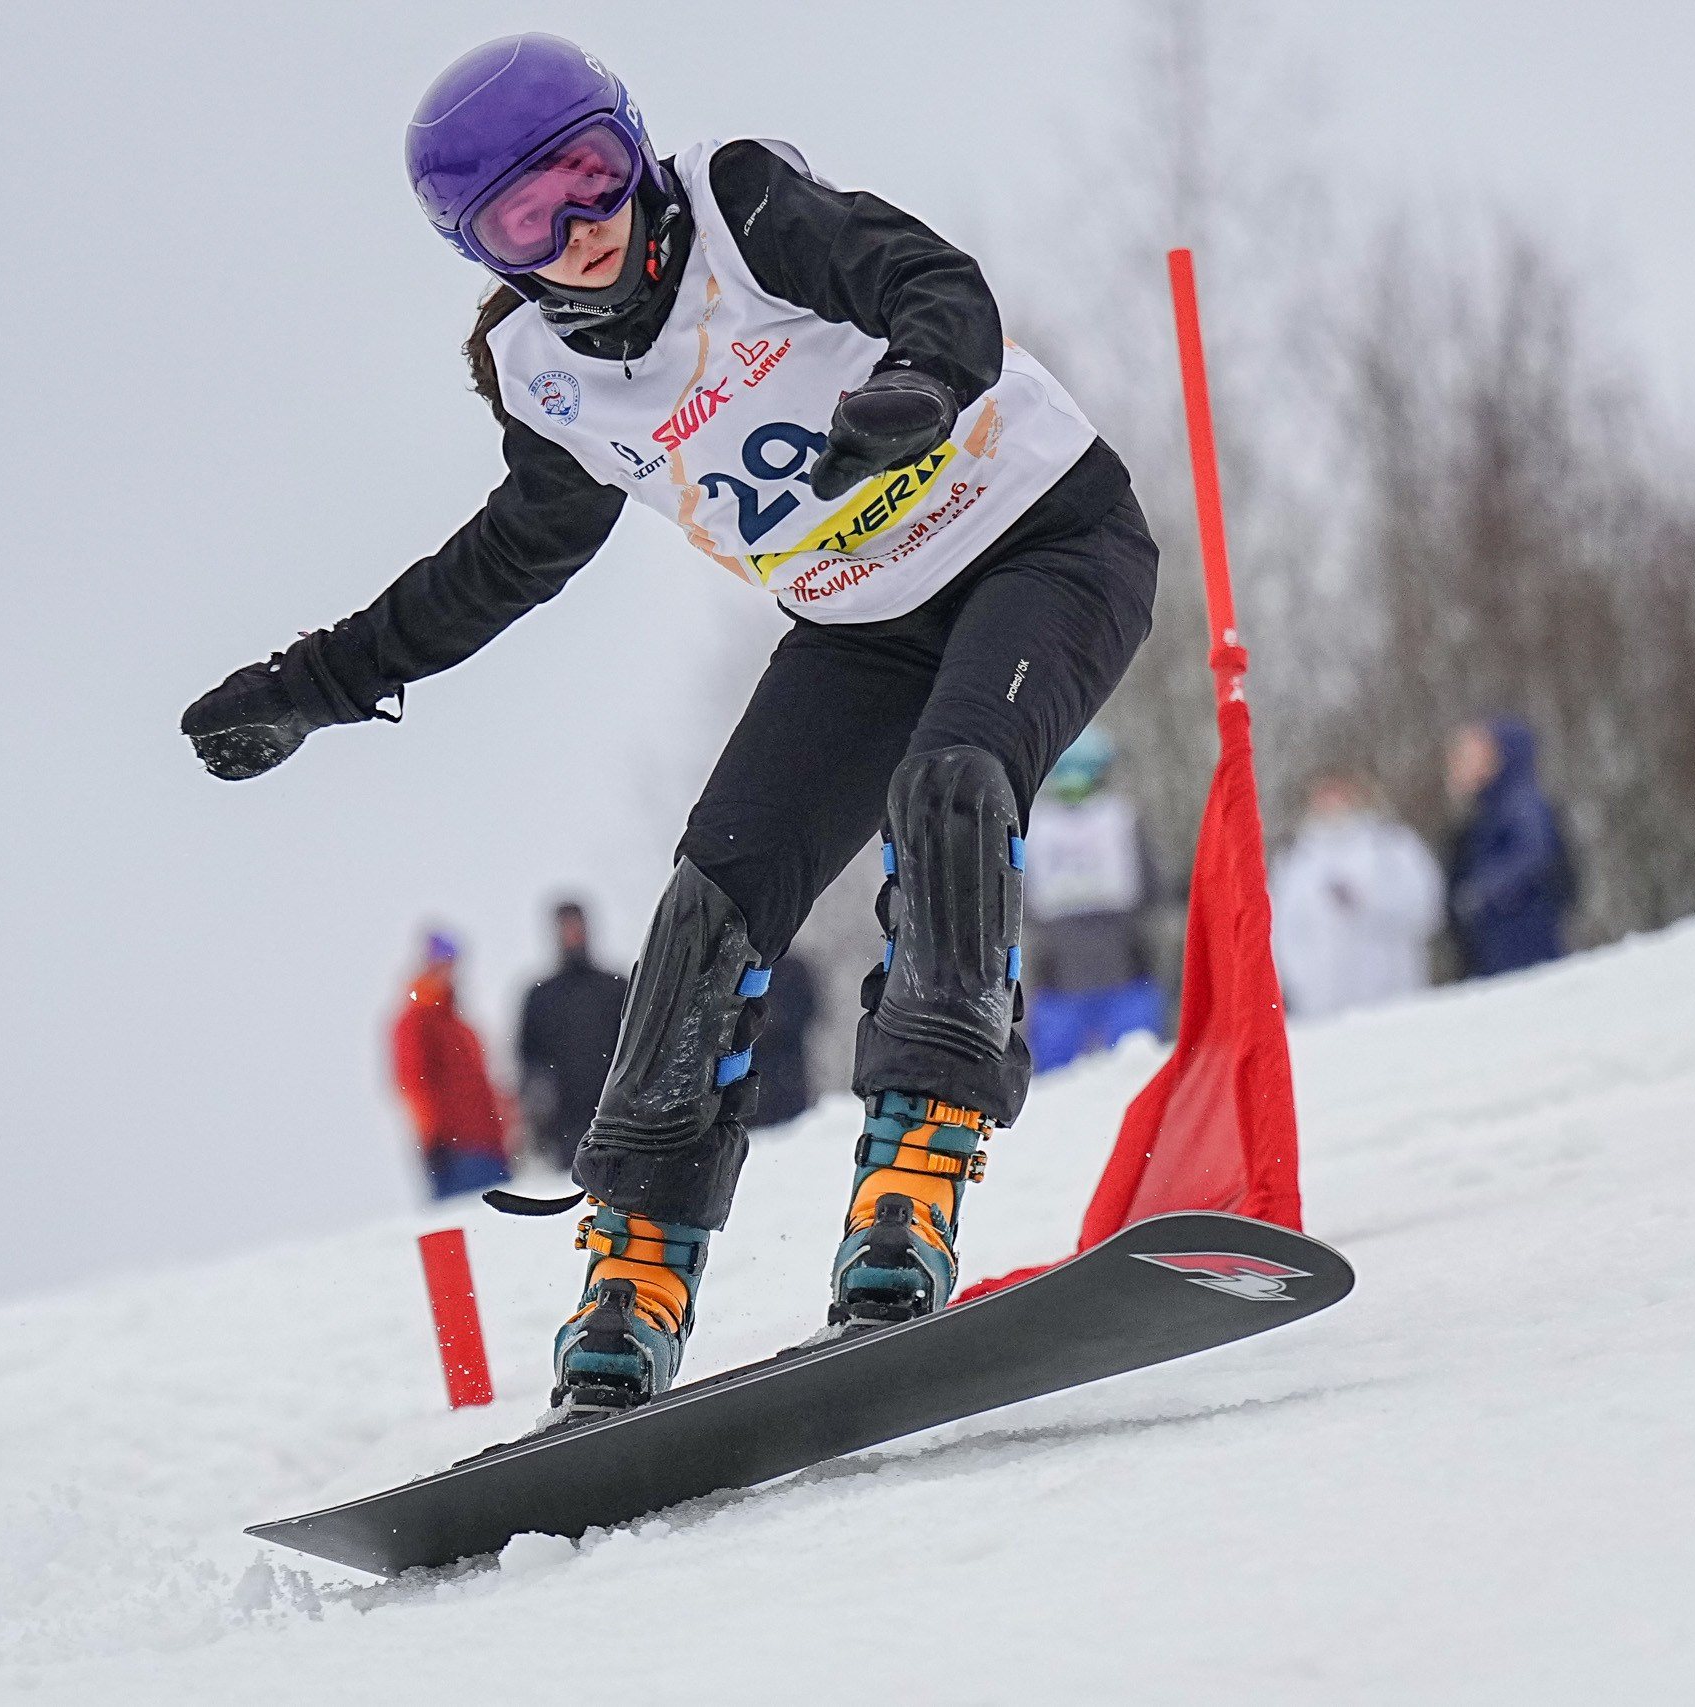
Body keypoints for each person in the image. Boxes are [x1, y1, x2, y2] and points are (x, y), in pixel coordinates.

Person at [181, 34, 1156, 1417]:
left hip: (1043, 544)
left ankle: (911, 1179)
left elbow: (931, 284)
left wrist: (922, 386)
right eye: (533, 216)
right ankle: (635, 1270)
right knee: (712, 900)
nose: (585, 228)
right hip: (862, 623)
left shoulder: (746, 208)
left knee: (953, 781)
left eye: (593, 175)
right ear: (489, 251)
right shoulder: (546, 379)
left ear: (634, 146)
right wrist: (311, 683)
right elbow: (500, 567)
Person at [1021, 726, 1164, 1069]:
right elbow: (1151, 888)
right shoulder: (1123, 817)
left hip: (1062, 968)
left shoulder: (1032, 826)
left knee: (1055, 1076)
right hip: (1121, 961)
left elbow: (1020, 906)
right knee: (1139, 1066)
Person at [1269, 770, 1444, 1018]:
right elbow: (1279, 931)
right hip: (1320, 1008)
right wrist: (1298, 982)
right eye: (1324, 793)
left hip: (1394, 999)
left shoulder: (1392, 846)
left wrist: (1368, 902)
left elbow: (1426, 911)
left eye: (1339, 791)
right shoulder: (1297, 862)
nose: (1331, 801)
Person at [1444, 717, 1574, 978]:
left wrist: (1480, 894)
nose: (1458, 763)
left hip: (1522, 939)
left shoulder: (1520, 803)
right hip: (1502, 942)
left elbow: (1534, 851)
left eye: (1472, 754)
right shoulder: (1493, 808)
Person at [391, 931, 515, 1199]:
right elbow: (414, 1083)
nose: (448, 972)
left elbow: (482, 1084)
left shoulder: (457, 1024)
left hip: (490, 1147)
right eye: (441, 964)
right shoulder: (416, 1022)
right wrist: (432, 1138)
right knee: (469, 1228)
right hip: (457, 1151)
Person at [516, 901, 627, 1173]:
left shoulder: (615, 988)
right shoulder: (541, 996)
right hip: (566, 1126)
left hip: (618, 1116)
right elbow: (528, 1060)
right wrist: (537, 1115)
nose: (572, 933)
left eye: (577, 925)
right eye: (565, 927)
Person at [747, 951, 819, 1128]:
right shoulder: (746, 966)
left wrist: (771, 1022)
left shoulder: (792, 969)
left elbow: (808, 1009)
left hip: (785, 1077)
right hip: (755, 1074)